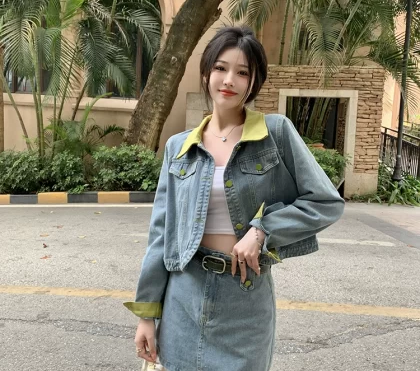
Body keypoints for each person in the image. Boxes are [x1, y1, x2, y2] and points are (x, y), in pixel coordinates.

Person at [124, 26, 345, 370]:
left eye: (242, 72)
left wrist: (262, 230)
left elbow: (325, 202)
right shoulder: (178, 147)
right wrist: (146, 315)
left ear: (254, 82)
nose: (229, 80)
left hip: (245, 301)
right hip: (184, 296)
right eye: (220, 68)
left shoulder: (275, 133)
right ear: (206, 72)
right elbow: (161, 234)